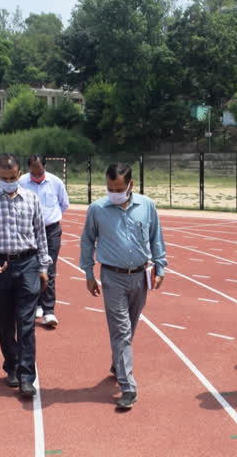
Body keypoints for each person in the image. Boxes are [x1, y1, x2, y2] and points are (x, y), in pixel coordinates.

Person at [79, 163, 167, 410]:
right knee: (121, 331)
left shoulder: (146, 206)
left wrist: (161, 266)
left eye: (119, 188)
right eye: (109, 188)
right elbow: (87, 242)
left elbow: (155, 237)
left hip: (140, 276)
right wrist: (88, 273)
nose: (114, 192)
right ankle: (128, 386)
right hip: (112, 278)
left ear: (131, 185)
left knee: (130, 326)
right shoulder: (97, 209)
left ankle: (118, 363)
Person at [0, 154, 50, 398]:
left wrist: (43, 267)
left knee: (26, 322)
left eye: (13, 177)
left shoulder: (31, 199)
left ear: (19, 175)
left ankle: (27, 376)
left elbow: (40, 235)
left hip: (27, 263)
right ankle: (12, 366)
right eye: (4, 177)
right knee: (4, 321)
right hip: (0, 267)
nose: (8, 181)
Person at [19, 155, 69, 327]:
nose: (36, 173)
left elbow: (64, 204)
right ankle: (36, 305)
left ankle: (48, 310)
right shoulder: (22, 182)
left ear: (44, 167)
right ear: (28, 168)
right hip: (29, 231)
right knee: (31, 268)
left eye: (39, 169)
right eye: (33, 170)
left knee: (49, 268)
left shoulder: (55, 182)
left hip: (51, 230)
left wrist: (50, 218)